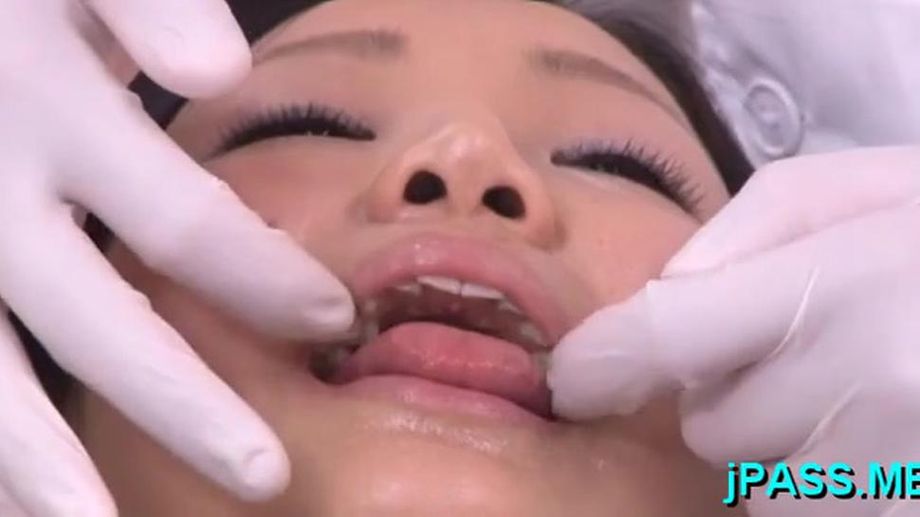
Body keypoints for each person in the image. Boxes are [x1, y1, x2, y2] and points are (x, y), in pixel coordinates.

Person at [8, 0, 755, 515]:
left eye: (618, 164)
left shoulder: (819, 477)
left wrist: (832, 483)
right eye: (309, 124)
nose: (467, 155)